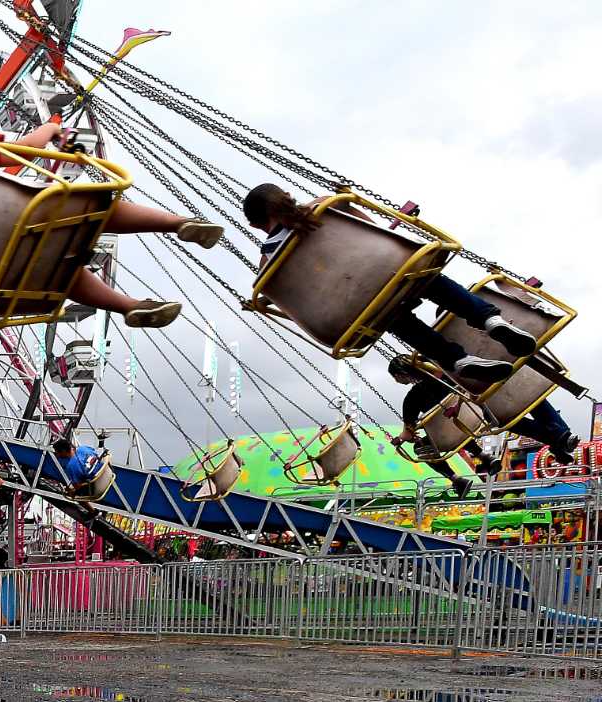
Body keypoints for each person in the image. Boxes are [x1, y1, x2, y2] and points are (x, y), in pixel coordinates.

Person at [0, 108, 213, 328]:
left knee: (64, 273)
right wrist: (50, 129)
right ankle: (177, 223)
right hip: (6, 232)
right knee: (95, 208)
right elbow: (20, 149)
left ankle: (129, 306)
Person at [243, 184, 531, 387]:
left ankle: (455, 361)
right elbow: (375, 231)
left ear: (257, 226)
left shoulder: (269, 263)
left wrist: (258, 302)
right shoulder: (326, 205)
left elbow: (277, 299)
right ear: (288, 196)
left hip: (356, 304)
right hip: (387, 271)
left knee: (390, 317)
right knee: (428, 279)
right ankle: (490, 320)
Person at [387, 354, 578, 501]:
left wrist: (399, 440)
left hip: (457, 431)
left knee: (424, 445)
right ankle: (557, 439)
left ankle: (456, 478)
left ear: (402, 375)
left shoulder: (412, 399)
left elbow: (408, 432)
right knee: (502, 417)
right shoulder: (450, 372)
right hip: (479, 416)